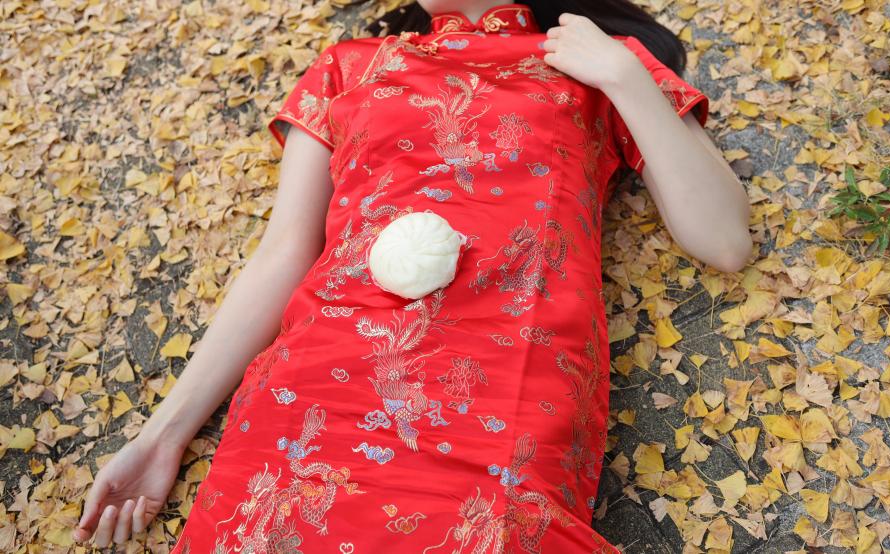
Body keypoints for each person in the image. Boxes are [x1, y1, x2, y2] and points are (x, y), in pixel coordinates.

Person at [71, 1, 751, 551]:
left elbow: (723, 240)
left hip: (503, 385)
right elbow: (284, 254)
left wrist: (624, 76)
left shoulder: (597, 60)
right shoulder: (349, 64)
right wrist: (160, 438)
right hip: (318, 385)